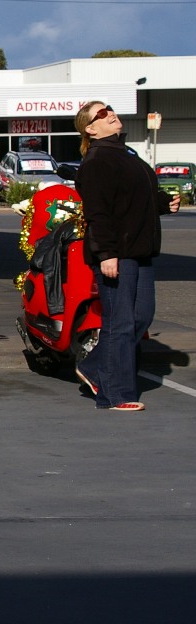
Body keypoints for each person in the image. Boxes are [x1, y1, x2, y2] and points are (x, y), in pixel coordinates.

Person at [73, 101, 179, 411]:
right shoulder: (96, 161)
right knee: (119, 323)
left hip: (140, 252)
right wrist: (106, 253)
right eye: (101, 113)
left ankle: (94, 367)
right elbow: (97, 212)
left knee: (141, 316)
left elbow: (135, 197)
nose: (110, 113)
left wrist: (162, 203)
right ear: (91, 129)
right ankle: (116, 394)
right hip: (117, 253)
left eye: (108, 108)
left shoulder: (125, 153)